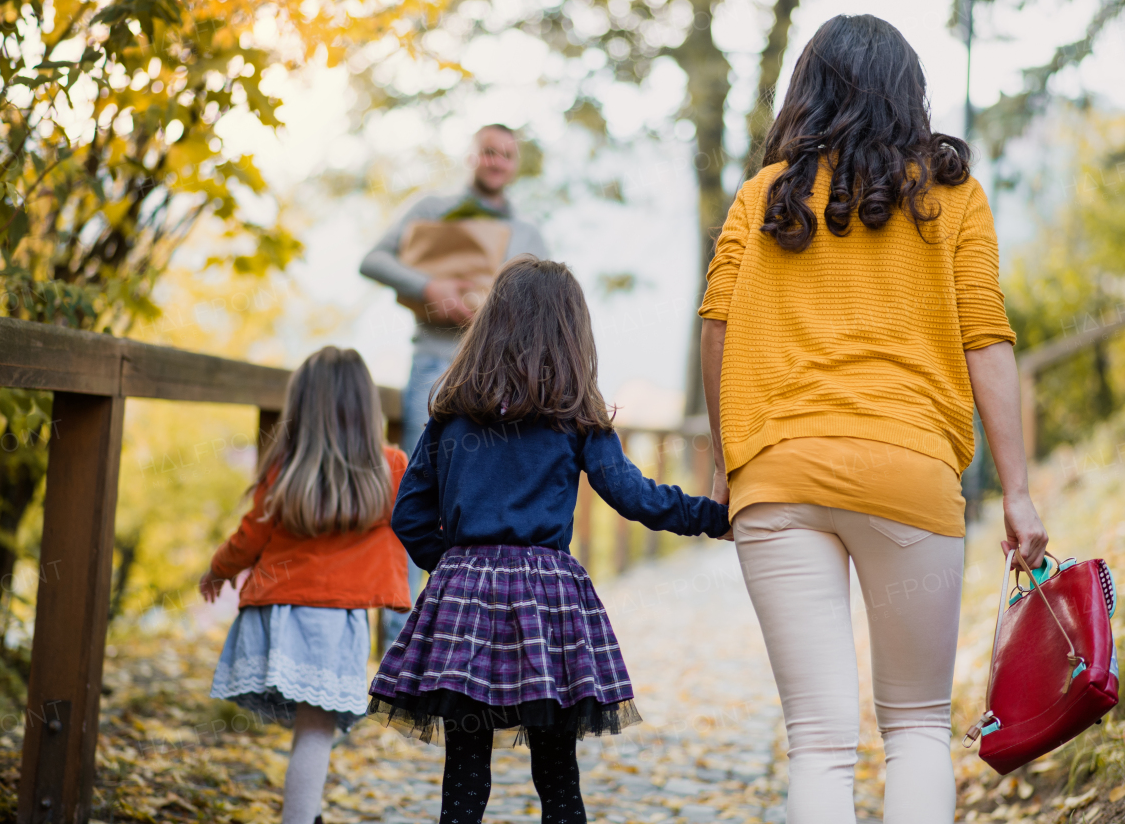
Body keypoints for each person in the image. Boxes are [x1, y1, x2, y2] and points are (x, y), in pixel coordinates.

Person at [698, 15, 1049, 824]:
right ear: (909, 91)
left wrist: (725, 461)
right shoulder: (952, 193)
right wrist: (1019, 491)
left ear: (806, 92)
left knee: (817, 739)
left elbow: (715, 329)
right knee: (918, 725)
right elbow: (986, 336)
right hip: (909, 471)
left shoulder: (763, 196)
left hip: (777, 475)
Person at [367, 255, 731, 824]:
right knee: (558, 774)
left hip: (465, 600)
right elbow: (633, 496)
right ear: (571, 334)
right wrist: (713, 517)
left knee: (465, 769)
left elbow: (410, 513)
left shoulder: (454, 413)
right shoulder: (576, 415)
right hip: (549, 603)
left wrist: (458, 566)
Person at [198, 346, 410, 824]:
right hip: (334, 622)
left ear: (303, 407)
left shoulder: (286, 467)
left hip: (280, 614)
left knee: (310, 731)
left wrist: (218, 570)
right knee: (315, 732)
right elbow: (422, 526)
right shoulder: (390, 467)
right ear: (365, 406)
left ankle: (305, 815)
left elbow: (250, 534)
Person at [359, 123, 549, 647]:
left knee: (486, 499)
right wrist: (429, 286)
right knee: (422, 494)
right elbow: (371, 260)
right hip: (435, 365)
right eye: (489, 151)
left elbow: (549, 308)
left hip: (504, 380)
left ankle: (469, 634)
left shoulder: (529, 234)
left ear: (515, 164)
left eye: (507, 155)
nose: (496, 161)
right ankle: (404, 637)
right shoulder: (431, 209)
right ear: (473, 156)